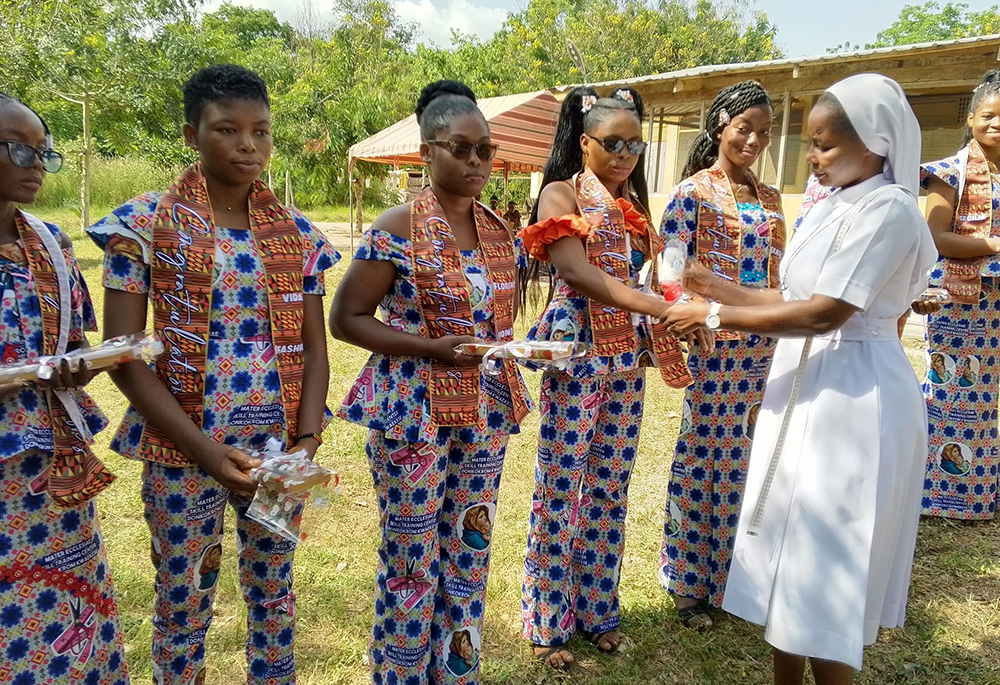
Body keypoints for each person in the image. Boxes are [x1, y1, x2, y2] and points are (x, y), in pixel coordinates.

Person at [664, 73, 936, 683]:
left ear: (878, 142)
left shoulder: (889, 209)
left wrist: (713, 312)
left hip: (854, 397)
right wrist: (717, 288)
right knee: (786, 555)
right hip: (805, 382)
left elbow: (827, 311)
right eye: (811, 144)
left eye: (825, 145)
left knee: (825, 567)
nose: (811, 158)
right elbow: (788, 295)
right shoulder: (831, 203)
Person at [86, 64, 338, 685]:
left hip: (279, 450)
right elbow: (122, 351)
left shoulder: (298, 233)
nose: (248, 145)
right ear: (190, 134)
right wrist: (202, 450)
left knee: (275, 597)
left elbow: (314, 346)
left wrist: (305, 443)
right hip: (182, 446)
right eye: (227, 130)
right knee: (182, 600)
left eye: (261, 131)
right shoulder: (142, 227)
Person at [329, 80, 530, 685]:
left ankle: (457, 672)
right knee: (411, 557)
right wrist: (430, 349)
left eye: (485, 151)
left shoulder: (498, 231)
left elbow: (496, 321)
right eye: (460, 149)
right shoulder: (397, 226)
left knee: (470, 550)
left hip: (484, 413)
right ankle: (401, 673)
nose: (475, 163)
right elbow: (346, 319)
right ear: (427, 153)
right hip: (412, 410)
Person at [518, 86, 708, 669]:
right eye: (612, 143)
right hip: (576, 360)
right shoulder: (560, 194)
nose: (625, 154)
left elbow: (654, 281)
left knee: (610, 487)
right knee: (561, 486)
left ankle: (598, 610)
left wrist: (680, 312)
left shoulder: (632, 210)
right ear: (585, 142)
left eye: (635, 144)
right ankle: (548, 620)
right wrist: (661, 309)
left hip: (625, 361)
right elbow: (578, 275)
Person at [0, 93, 130, 685]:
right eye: (21, 148)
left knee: (72, 613)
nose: (35, 163)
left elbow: (71, 342)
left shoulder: (49, 243)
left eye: (44, 153)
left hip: (52, 471)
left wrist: (81, 364)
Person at [656, 80, 785, 630]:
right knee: (703, 459)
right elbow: (670, 267)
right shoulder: (693, 193)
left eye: (764, 132)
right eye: (743, 128)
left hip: (764, 349)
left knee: (753, 463)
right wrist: (689, 310)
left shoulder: (773, 198)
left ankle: (738, 576)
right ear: (719, 128)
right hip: (714, 348)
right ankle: (688, 582)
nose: (753, 139)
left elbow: (785, 273)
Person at [920, 70, 1000, 520]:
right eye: (988, 115)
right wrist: (993, 245)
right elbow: (935, 236)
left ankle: (979, 496)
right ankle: (934, 495)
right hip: (957, 301)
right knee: (948, 391)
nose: (996, 124)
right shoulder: (948, 173)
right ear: (971, 119)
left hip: (995, 307)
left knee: (985, 400)